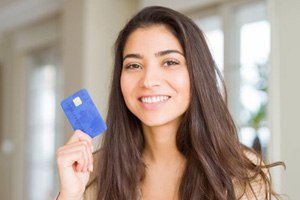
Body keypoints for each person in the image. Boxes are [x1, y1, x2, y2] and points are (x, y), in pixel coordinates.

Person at [56, 6, 283, 200]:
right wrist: (69, 195)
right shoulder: (94, 172)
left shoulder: (241, 172)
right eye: (134, 65)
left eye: (170, 62)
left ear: (197, 74)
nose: (149, 80)